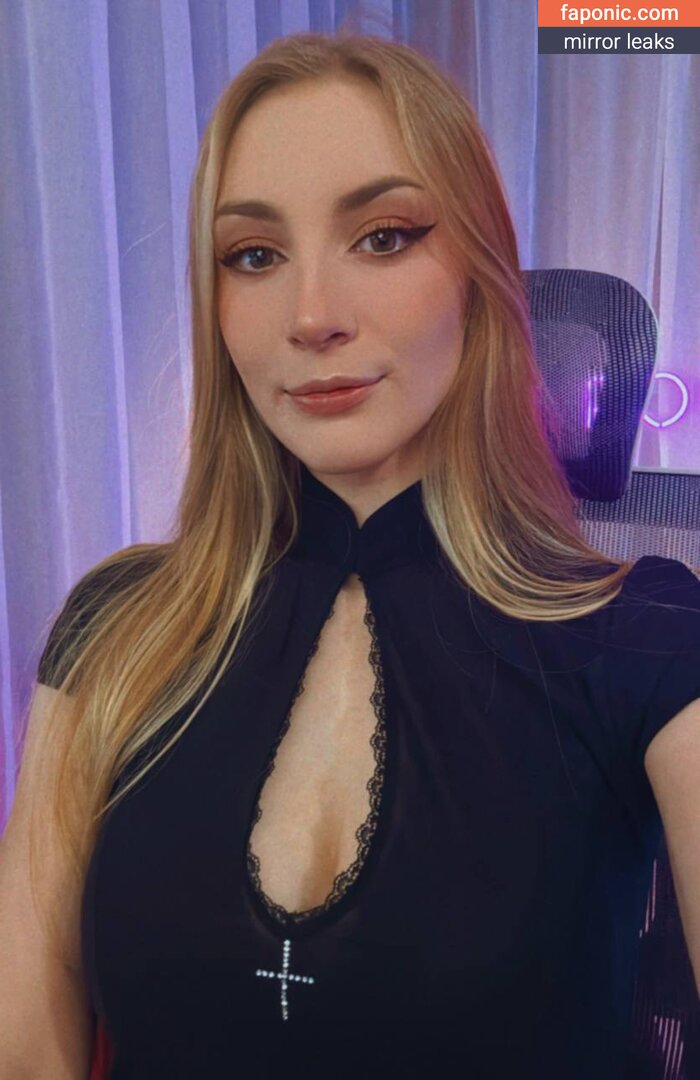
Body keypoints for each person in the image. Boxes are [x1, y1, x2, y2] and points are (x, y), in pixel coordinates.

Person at [2, 28, 700, 1080]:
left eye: (383, 237)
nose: (312, 317)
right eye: (254, 256)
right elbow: (26, 1049)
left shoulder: (647, 637)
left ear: (477, 270)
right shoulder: (119, 628)